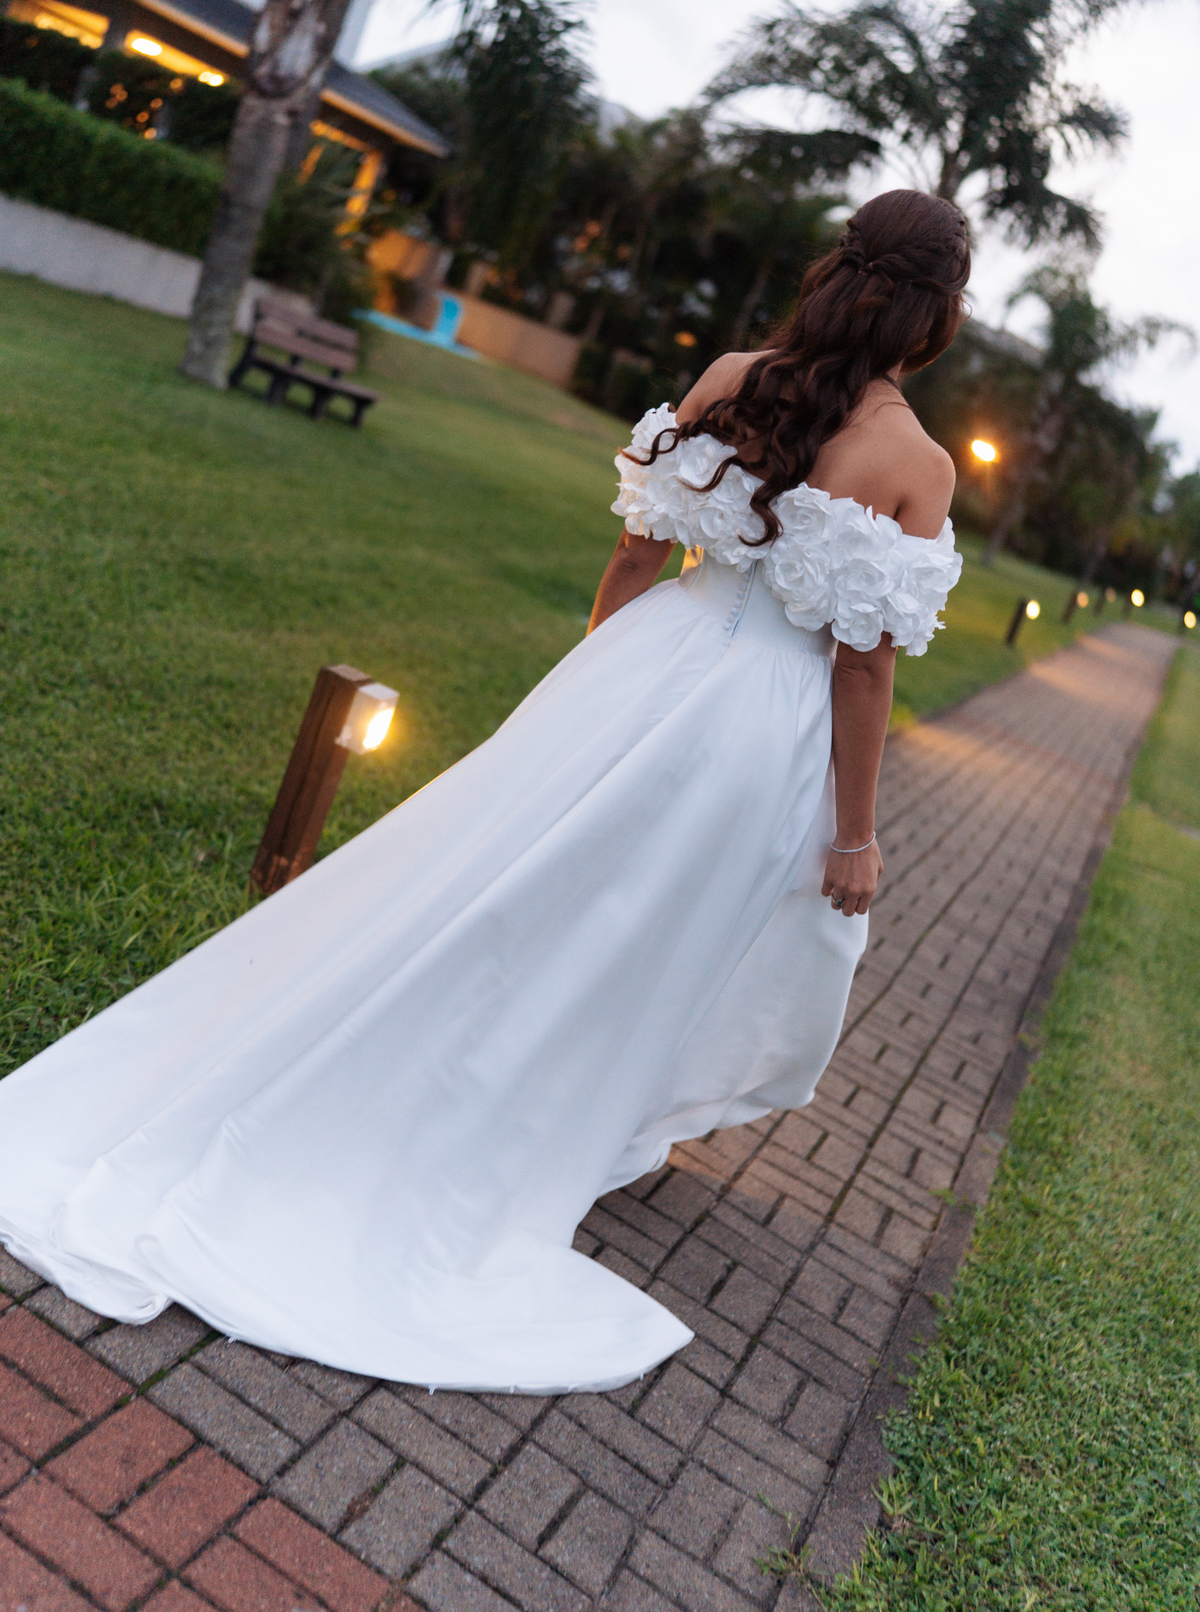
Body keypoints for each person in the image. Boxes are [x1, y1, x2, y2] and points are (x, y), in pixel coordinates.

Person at [0, 189, 968, 1395]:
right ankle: (552, 1117)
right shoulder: (917, 466)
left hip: (645, 661)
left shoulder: (732, 375)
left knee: (510, 882)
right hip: (758, 729)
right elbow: (862, 669)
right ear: (939, 315)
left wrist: (598, 686)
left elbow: (632, 554)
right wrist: (859, 834)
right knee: (640, 934)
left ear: (835, 270)